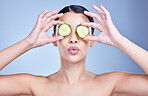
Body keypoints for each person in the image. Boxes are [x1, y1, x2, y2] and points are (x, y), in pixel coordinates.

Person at [0, 4, 148, 96]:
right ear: (53, 39)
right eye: (65, 31)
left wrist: (118, 41)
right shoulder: (35, 86)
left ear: (92, 40)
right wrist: (28, 42)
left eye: (81, 30)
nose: (73, 38)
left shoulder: (110, 84)